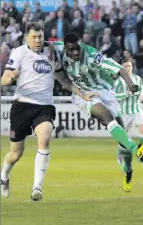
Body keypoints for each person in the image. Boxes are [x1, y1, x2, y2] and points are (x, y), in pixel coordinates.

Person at [0, 22, 95, 201]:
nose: (37, 40)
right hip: (21, 106)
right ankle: (3, 177)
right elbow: (4, 78)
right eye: (34, 37)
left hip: (44, 106)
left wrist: (83, 95)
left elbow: (63, 80)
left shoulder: (52, 53)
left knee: (44, 139)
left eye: (40, 37)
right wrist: (10, 78)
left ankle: (37, 188)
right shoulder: (19, 52)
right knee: (15, 154)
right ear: (26, 37)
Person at [52, 33, 143, 174]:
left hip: (106, 91)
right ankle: (137, 150)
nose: (75, 52)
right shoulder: (57, 48)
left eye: (77, 48)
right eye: (71, 50)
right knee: (105, 116)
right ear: (65, 49)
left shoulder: (92, 55)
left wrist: (130, 83)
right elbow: (42, 43)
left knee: (121, 131)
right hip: (83, 94)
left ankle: (128, 166)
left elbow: (119, 68)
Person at [113, 60, 143, 192]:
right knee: (123, 140)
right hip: (124, 112)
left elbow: (141, 91)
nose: (127, 68)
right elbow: (115, 96)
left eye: (129, 66)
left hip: (136, 109)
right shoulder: (119, 81)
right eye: (125, 66)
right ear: (121, 68)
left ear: (132, 67)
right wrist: (127, 94)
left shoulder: (137, 78)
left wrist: (139, 96)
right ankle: (120, 154)